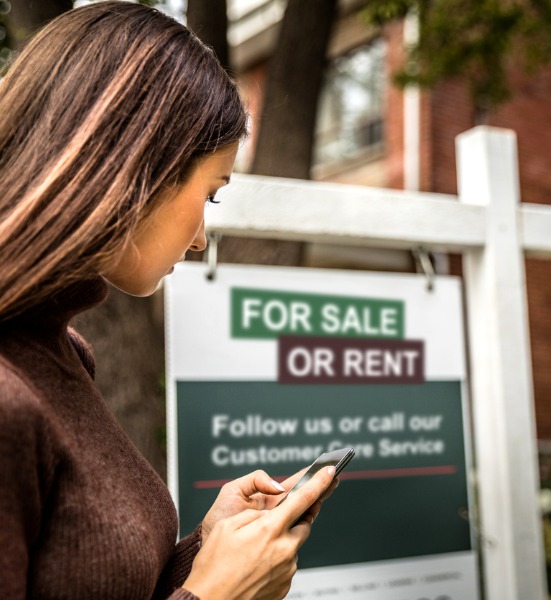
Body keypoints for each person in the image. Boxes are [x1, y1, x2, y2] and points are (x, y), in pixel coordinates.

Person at [0, 2, 337, 599]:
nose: (202, 236)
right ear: (134, 170)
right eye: (209, 196)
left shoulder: (63, 353)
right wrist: (216, 594)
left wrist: (206, 552)